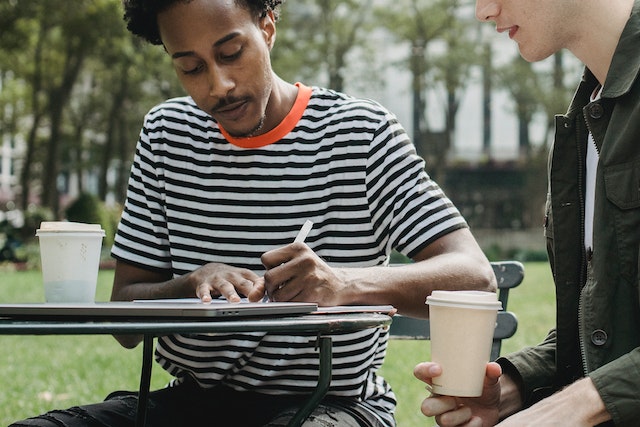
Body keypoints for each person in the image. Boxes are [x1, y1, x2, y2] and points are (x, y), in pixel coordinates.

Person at [11, 0, 496, 426]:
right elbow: (125, 322)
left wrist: (345, 285)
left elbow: (475, 276)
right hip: (192, 407)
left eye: (230, 53)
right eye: (190, 67)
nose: (218, 85)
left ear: (267, 27)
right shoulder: (166, 136)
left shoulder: (360, 134)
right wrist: (194, 279)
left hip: (333, 405)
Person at [414, 0, 640, 426]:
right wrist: (512, 389)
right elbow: (605, 331)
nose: (483, 11)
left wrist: (576, 406)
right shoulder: (585, 121)